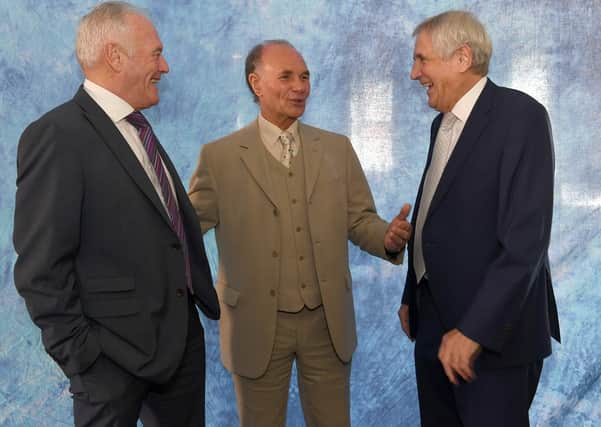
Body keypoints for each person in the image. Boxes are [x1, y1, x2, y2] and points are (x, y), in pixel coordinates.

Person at [13, 2, 219, 426]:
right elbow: (41, 270)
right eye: (156, 53)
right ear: (115, 56)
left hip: (179, 348)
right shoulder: (57, 135)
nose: (166, 65)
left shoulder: (138, 127)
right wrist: (86, 362)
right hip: (111, 363)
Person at [188, 39, 412, 427]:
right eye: (287, 76)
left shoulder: (337, 149)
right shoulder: (219, 157)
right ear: (256, 84)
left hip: (327, 323)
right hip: (254, 325)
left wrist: (387, 238)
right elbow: (184, 231)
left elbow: (360, 220)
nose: (300, 86)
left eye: (305, 76)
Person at [398, 10, 560, 427]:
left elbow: (525, 242)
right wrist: (410, 294)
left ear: (462, 57)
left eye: (422, 60)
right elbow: (436, 216)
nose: (415, 73)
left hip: (492, 338)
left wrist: (474, 331)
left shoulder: (520, 117)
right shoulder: (441, 126)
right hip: (434, 327)